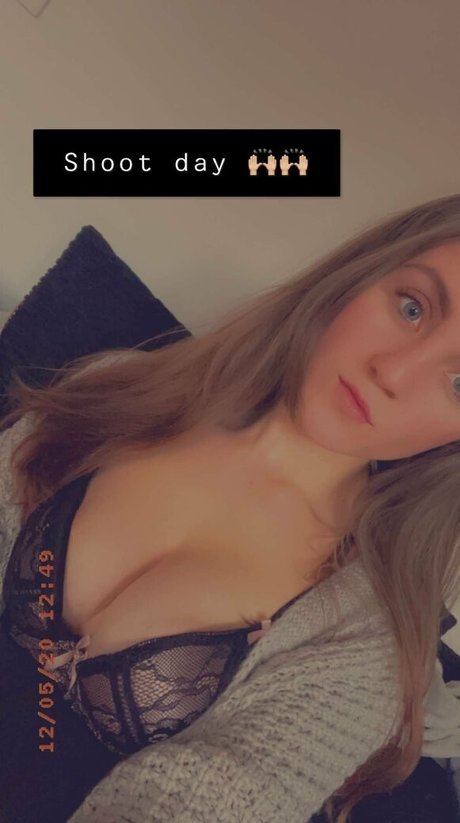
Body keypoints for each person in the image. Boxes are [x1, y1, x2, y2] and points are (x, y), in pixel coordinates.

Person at [1, 192, 460, 823]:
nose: (393, 371)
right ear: (359, 276)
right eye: (413, 307)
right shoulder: (121, 384)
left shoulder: (362, 645)